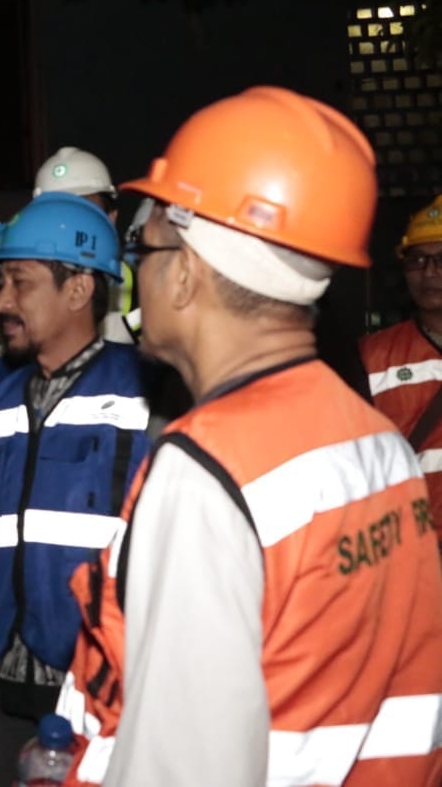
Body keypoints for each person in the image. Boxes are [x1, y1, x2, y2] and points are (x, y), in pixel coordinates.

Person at [56, 86, 442, 786]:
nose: (131, 271)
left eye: (143, 246)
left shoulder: (206, 470)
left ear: (187, 272)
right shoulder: (374, 440)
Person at [0, 193, 151, 787]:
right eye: (2, 285)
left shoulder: (148, 394)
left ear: (78, 290)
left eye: (20, 282)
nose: (2, 301)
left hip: (99, 682)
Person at [360, 193, 442, 545]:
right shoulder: (373, 356)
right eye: (417, 260)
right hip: (413, 548)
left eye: (441, 260)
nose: (429, 273)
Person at [32, 147, 135, 344]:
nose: (72, 226)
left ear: (111, 218)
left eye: (87, 213)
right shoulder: (17, 293)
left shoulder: (146, 293)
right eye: (58, 216)